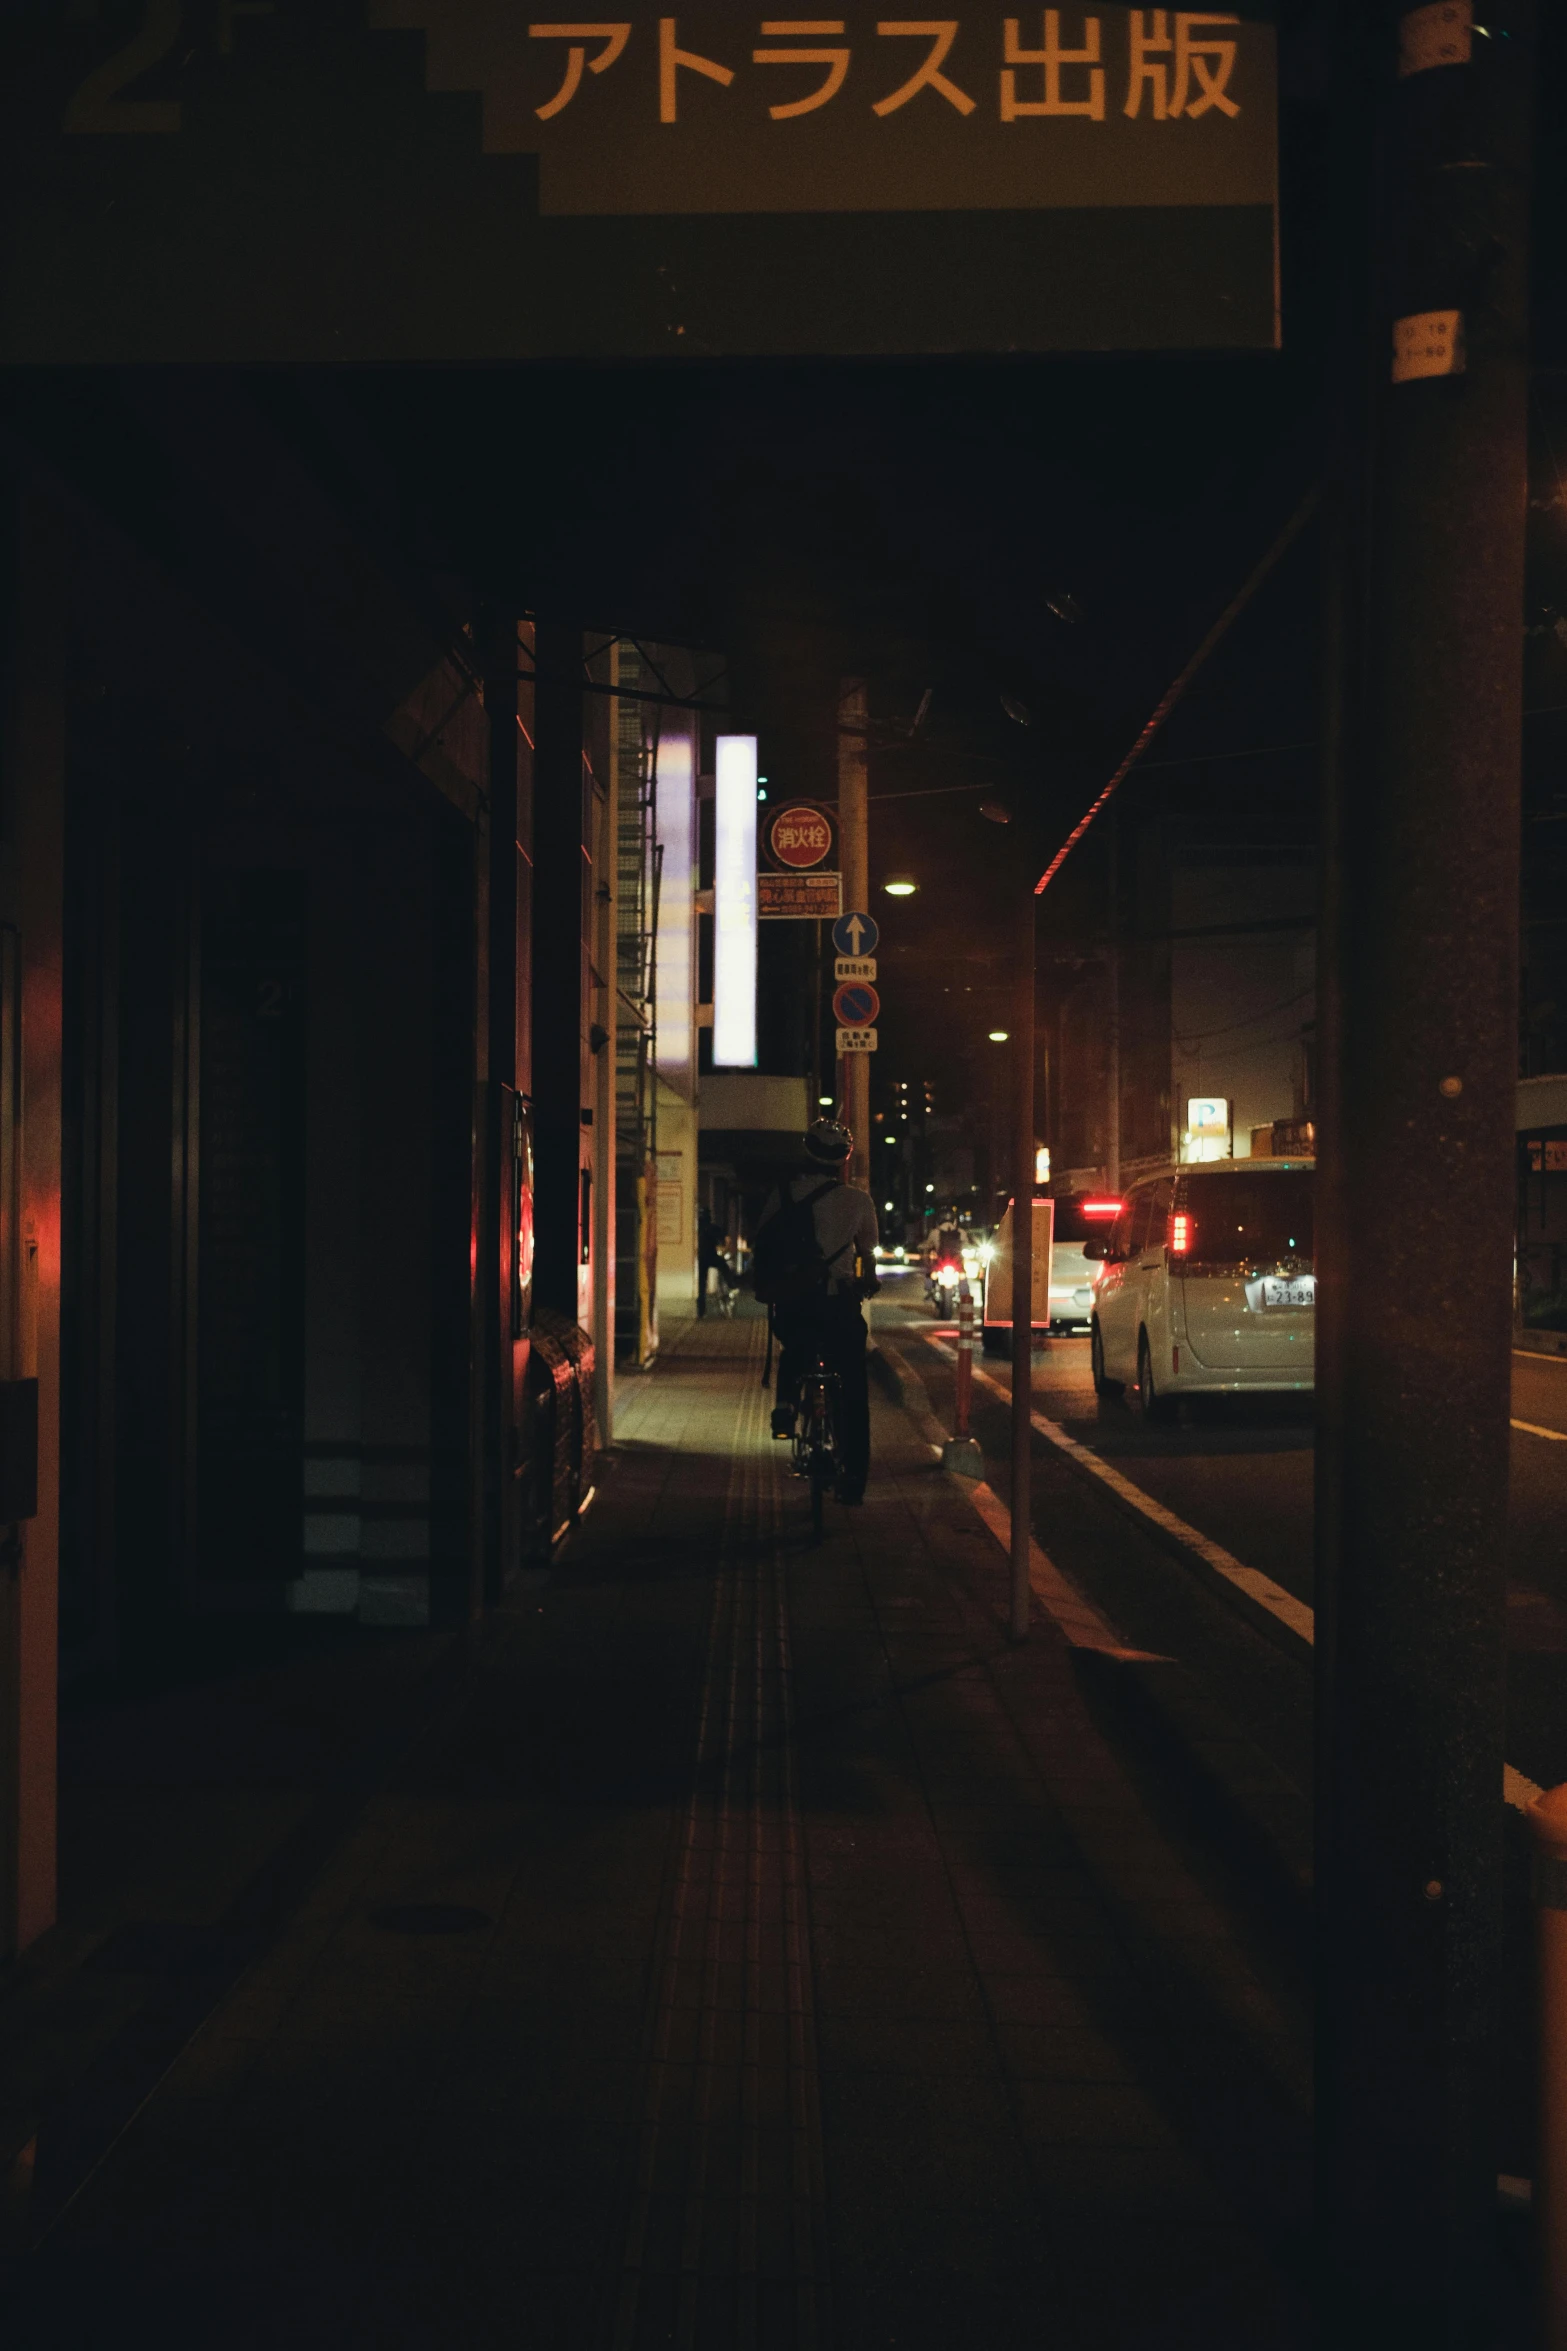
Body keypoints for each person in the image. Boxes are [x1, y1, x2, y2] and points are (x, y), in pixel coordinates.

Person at [755, 1119, 879, 1503]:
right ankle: (854, 1479)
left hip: (793, 1301)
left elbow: (762, 1241)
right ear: (843, 1159)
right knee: (854, 1385)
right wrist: (866, 1282)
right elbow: (868, 1255)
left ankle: (785, 1406)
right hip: (839, 1304)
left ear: (806, 1151)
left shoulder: (782, 1195)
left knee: (795, 1348)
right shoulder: (858, 1201)